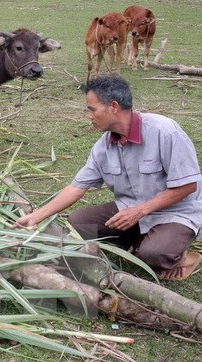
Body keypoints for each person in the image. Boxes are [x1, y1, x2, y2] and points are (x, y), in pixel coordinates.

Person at [13, 74, 202, 281]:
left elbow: (187, 186)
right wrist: (36, 216)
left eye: (92, 109)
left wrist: (140, 211)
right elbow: (77, 187)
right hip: (130, 208)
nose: (89, 116)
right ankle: (141, 240)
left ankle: (175, 254)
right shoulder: (104, 146)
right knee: (79, 223)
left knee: (153, 254)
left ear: (113, 107)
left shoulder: (164, 132)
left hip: (175, 212)